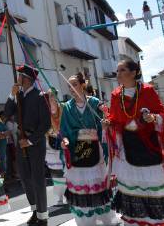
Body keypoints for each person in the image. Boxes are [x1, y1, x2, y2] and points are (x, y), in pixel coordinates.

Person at [107, 59, 164, 226]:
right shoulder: (115, 95)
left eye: (122, 70)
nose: (118, 74)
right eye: (117, 71)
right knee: (132, 186)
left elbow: (163, 114)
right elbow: (114, 119)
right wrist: (109, 124)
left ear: (134, 73)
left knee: (155, 186)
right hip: (128, 148)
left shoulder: (147, 91)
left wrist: (153, 118)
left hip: (149, 146)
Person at [60, 73, 118, 226]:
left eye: (75, 84)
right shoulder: (67, 107)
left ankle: (105, 218)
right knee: (82, 186)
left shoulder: (94, 102)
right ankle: (86, 221)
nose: (72, 88)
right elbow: (64, 130)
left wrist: (105, 122)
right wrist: (64, 140)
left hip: (95, 148)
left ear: (82, 85)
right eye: (69, 86)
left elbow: (106, 119)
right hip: (77, 149)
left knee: (97, 183)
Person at [5, 65, 50, 226]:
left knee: (37, 178)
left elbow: (46, 124)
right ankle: (34, 211)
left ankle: (43, 216)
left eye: (20, 76)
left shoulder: (40, 96)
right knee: (25, 178)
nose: (17, 79)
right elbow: (7, 113)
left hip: (35, 141)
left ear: (26, 79)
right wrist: (12, 95)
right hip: (21, 140)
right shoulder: (19, 96)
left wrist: (30, 140)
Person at [45, 89, 66, 205]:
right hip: (51, 142)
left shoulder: (63, 107)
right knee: (55, 173)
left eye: (53, 95)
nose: (51, 98)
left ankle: (70, 193)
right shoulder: (45, 110)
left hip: (64, 141)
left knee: (67, 171)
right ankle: (60, 196)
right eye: (49, 96)